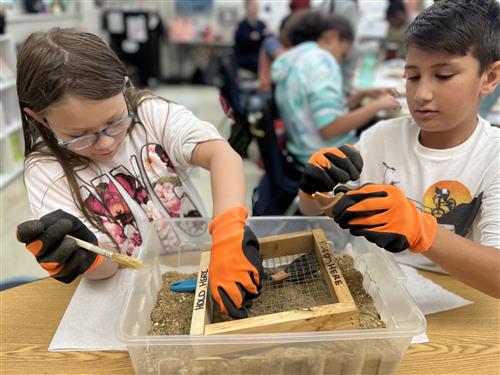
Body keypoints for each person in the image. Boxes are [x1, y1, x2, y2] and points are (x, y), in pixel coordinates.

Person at [14, 28, 263, 319]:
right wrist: (86, 259)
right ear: (37, 116)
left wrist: (227, 235)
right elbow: (107, 267)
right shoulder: (45, 171)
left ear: (124, 86)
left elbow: (223, 156)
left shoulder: (151, 114)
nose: (106, 143)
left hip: (202, 259)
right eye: (79, 135)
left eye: (115, 120)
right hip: (132, 294)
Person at [298, 0, 500, 298]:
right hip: (379, 288)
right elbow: (311, 210)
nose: (421, 94)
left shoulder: (492, 157)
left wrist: (422, 230)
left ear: (490, 77)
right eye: (413, 76)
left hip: (462, 296)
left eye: (443, 76)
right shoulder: (381, 138)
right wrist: (314, 188)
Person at [271, 10, 400, 165]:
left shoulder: (295, 60)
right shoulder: (322, 61)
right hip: (325, 160)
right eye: (343, 54)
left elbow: (315, 113)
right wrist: (377, 106)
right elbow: (329, 128)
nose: (339, 61)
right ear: (332, 37)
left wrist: (361, 95)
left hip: (300, 151)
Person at [233, 0, 268, 74]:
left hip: (259, 56)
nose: (256, 8)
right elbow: (239, 40)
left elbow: (265, 38)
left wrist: (267, 34)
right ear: (247, 7)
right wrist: (250, 36)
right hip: (245, 57)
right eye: (253, 6)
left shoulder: (261, 24)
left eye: (257, 6)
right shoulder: (242, 25)